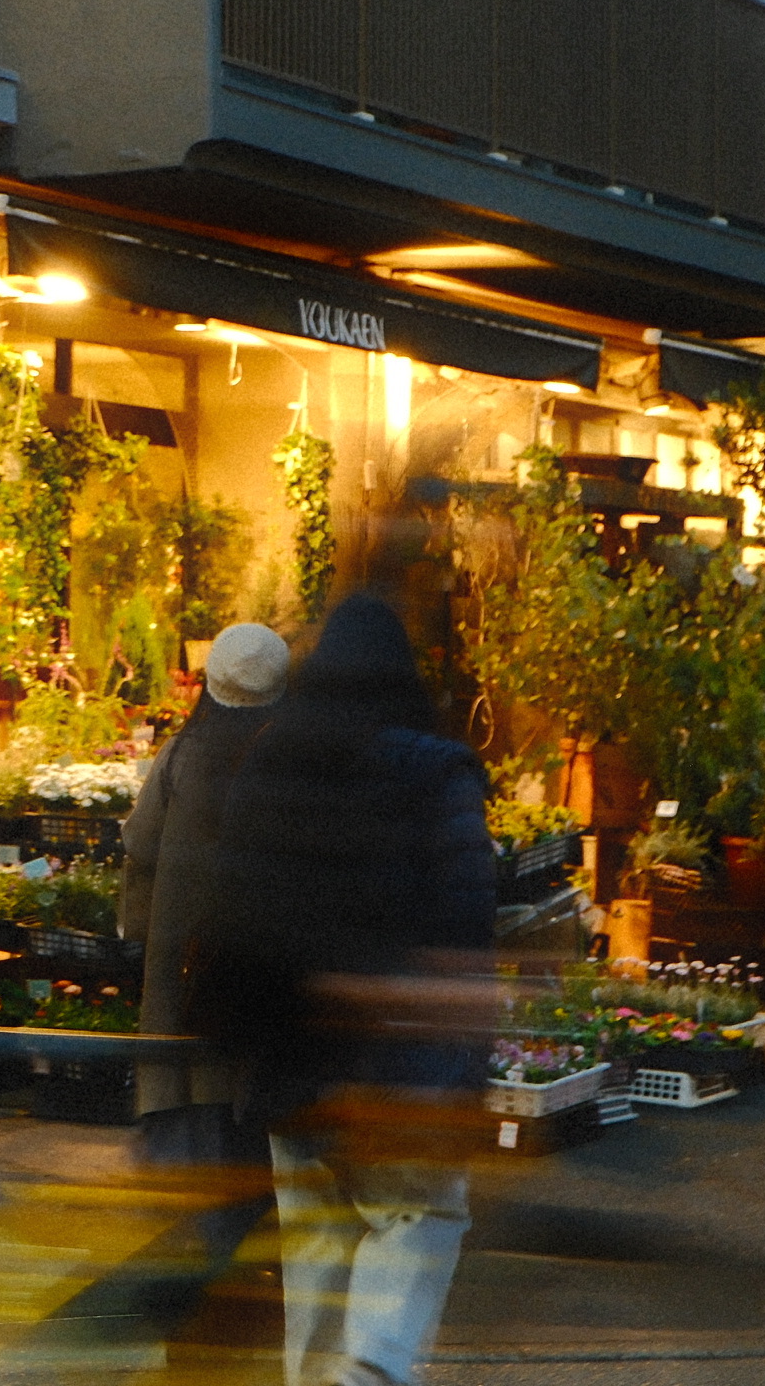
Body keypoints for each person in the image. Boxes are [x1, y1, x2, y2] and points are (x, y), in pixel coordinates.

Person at [189, 593, 496, 1386]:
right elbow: (467, 920)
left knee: (316, 1248)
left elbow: (228, 908)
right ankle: (372, 1371)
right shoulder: (438, 773)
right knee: (417, 1217)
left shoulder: (270, 760)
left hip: (292, 1066)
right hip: (397, 1072)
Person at [119, 620, 290, 1165]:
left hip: (185, 955)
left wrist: (139, 928)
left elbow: (140, 843)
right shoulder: (293, 760)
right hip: (264, 959)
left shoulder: (183, 754)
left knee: (184, 1068)